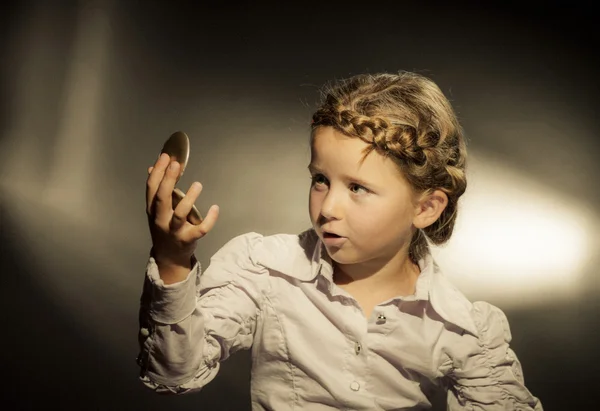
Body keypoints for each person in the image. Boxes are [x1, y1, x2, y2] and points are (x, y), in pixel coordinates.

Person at [137, 71, 543, 410]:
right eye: (320, 180)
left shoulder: (462, 330)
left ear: (426, 208)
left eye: (358, 188)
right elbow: (176, 373)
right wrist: (173, 261)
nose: (328, 206)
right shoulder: (264, 269)